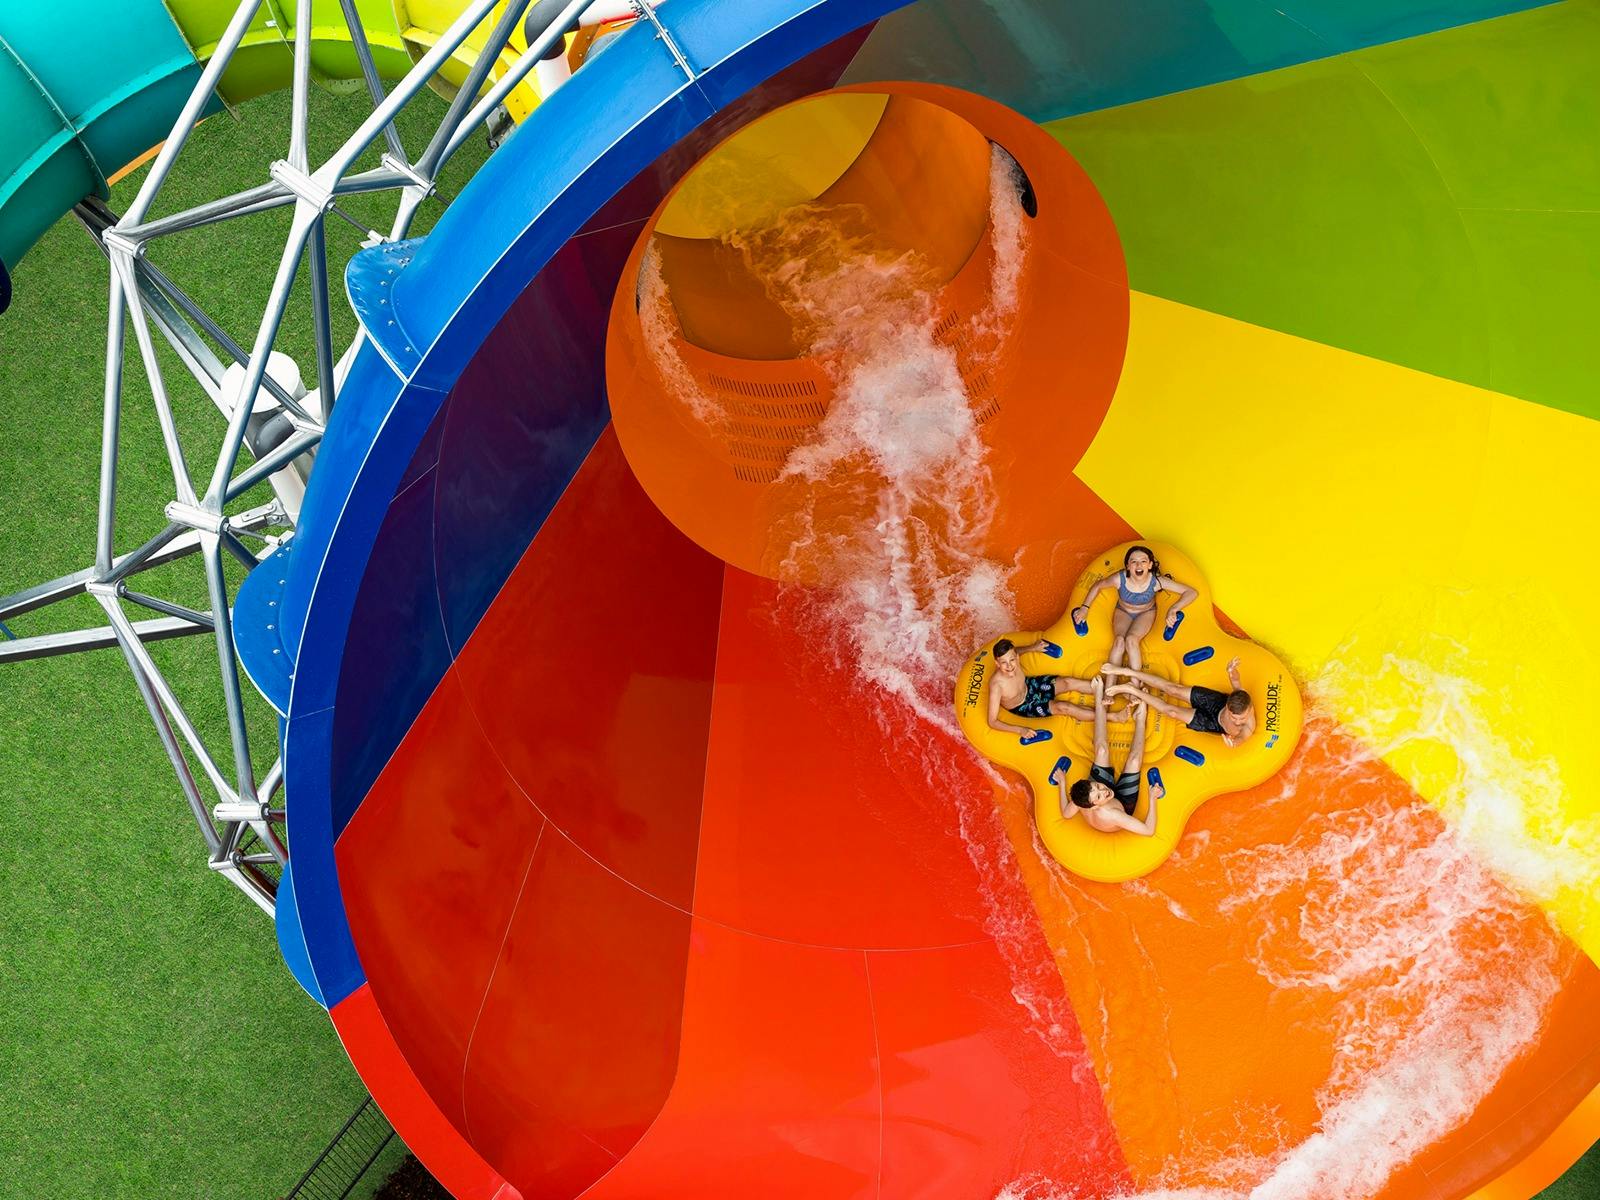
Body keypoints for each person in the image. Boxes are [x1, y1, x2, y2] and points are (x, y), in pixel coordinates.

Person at [1055, 677, 1162, 834]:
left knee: (1101, 751)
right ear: (1093, 806)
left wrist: (1062, 783)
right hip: (1122, 804)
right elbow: (1148, 830)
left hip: (1099, 799)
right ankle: (1140, 718)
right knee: (1133, 761)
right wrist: (1152, 798)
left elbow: (1066, 813)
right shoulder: (1112, 814)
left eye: (1097, 786)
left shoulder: (1082, 797)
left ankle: (1100, 700)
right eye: (1099, 796)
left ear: (1090, 783)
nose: (1104, 791)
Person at [1069, 545, 1198, 670]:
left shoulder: (1157, 582)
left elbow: (1191, 592)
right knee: (1119, 641)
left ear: (1150, 565)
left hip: (1146, 613)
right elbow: (1098, 585)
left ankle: (1134, 686)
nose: (1138, 565)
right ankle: (1109, 688)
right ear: (1128, 566)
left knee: (1131, 640)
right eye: (1134, 561)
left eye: (1143, 561)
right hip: (1123, 611)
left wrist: (1173, 609)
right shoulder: (1119, 579)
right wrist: (1085, 607)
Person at [1101, 657, 1257, 747]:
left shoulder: (1248, 724)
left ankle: (1133, 690)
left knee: (1172, 712)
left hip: (1212, 724)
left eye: (1240, 718)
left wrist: (1233, 743)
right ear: (1229, 706)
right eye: (1233, 716)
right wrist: (1231, 670)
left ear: (1248, 710)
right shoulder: (1238, 696)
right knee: (1173, 689)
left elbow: (1242, 738)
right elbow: (1235, 681)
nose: (1237, 721)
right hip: (1216, 703)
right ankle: (1126, 671)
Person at [985, 637, 1098, 741]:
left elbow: (1016, 651)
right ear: (997, 663)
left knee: (1067, 682)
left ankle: (1105, 690)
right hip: (1024, 705)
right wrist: (1020, 730)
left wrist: (1033, 647)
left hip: (1030, 685)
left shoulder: (1014, 658)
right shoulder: (997, 685)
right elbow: (992, 721)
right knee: (1063, 706)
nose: (1009, 666)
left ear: (1017, 658)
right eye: (1003, 663)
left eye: (1012, 660)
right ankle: (1109, 716)